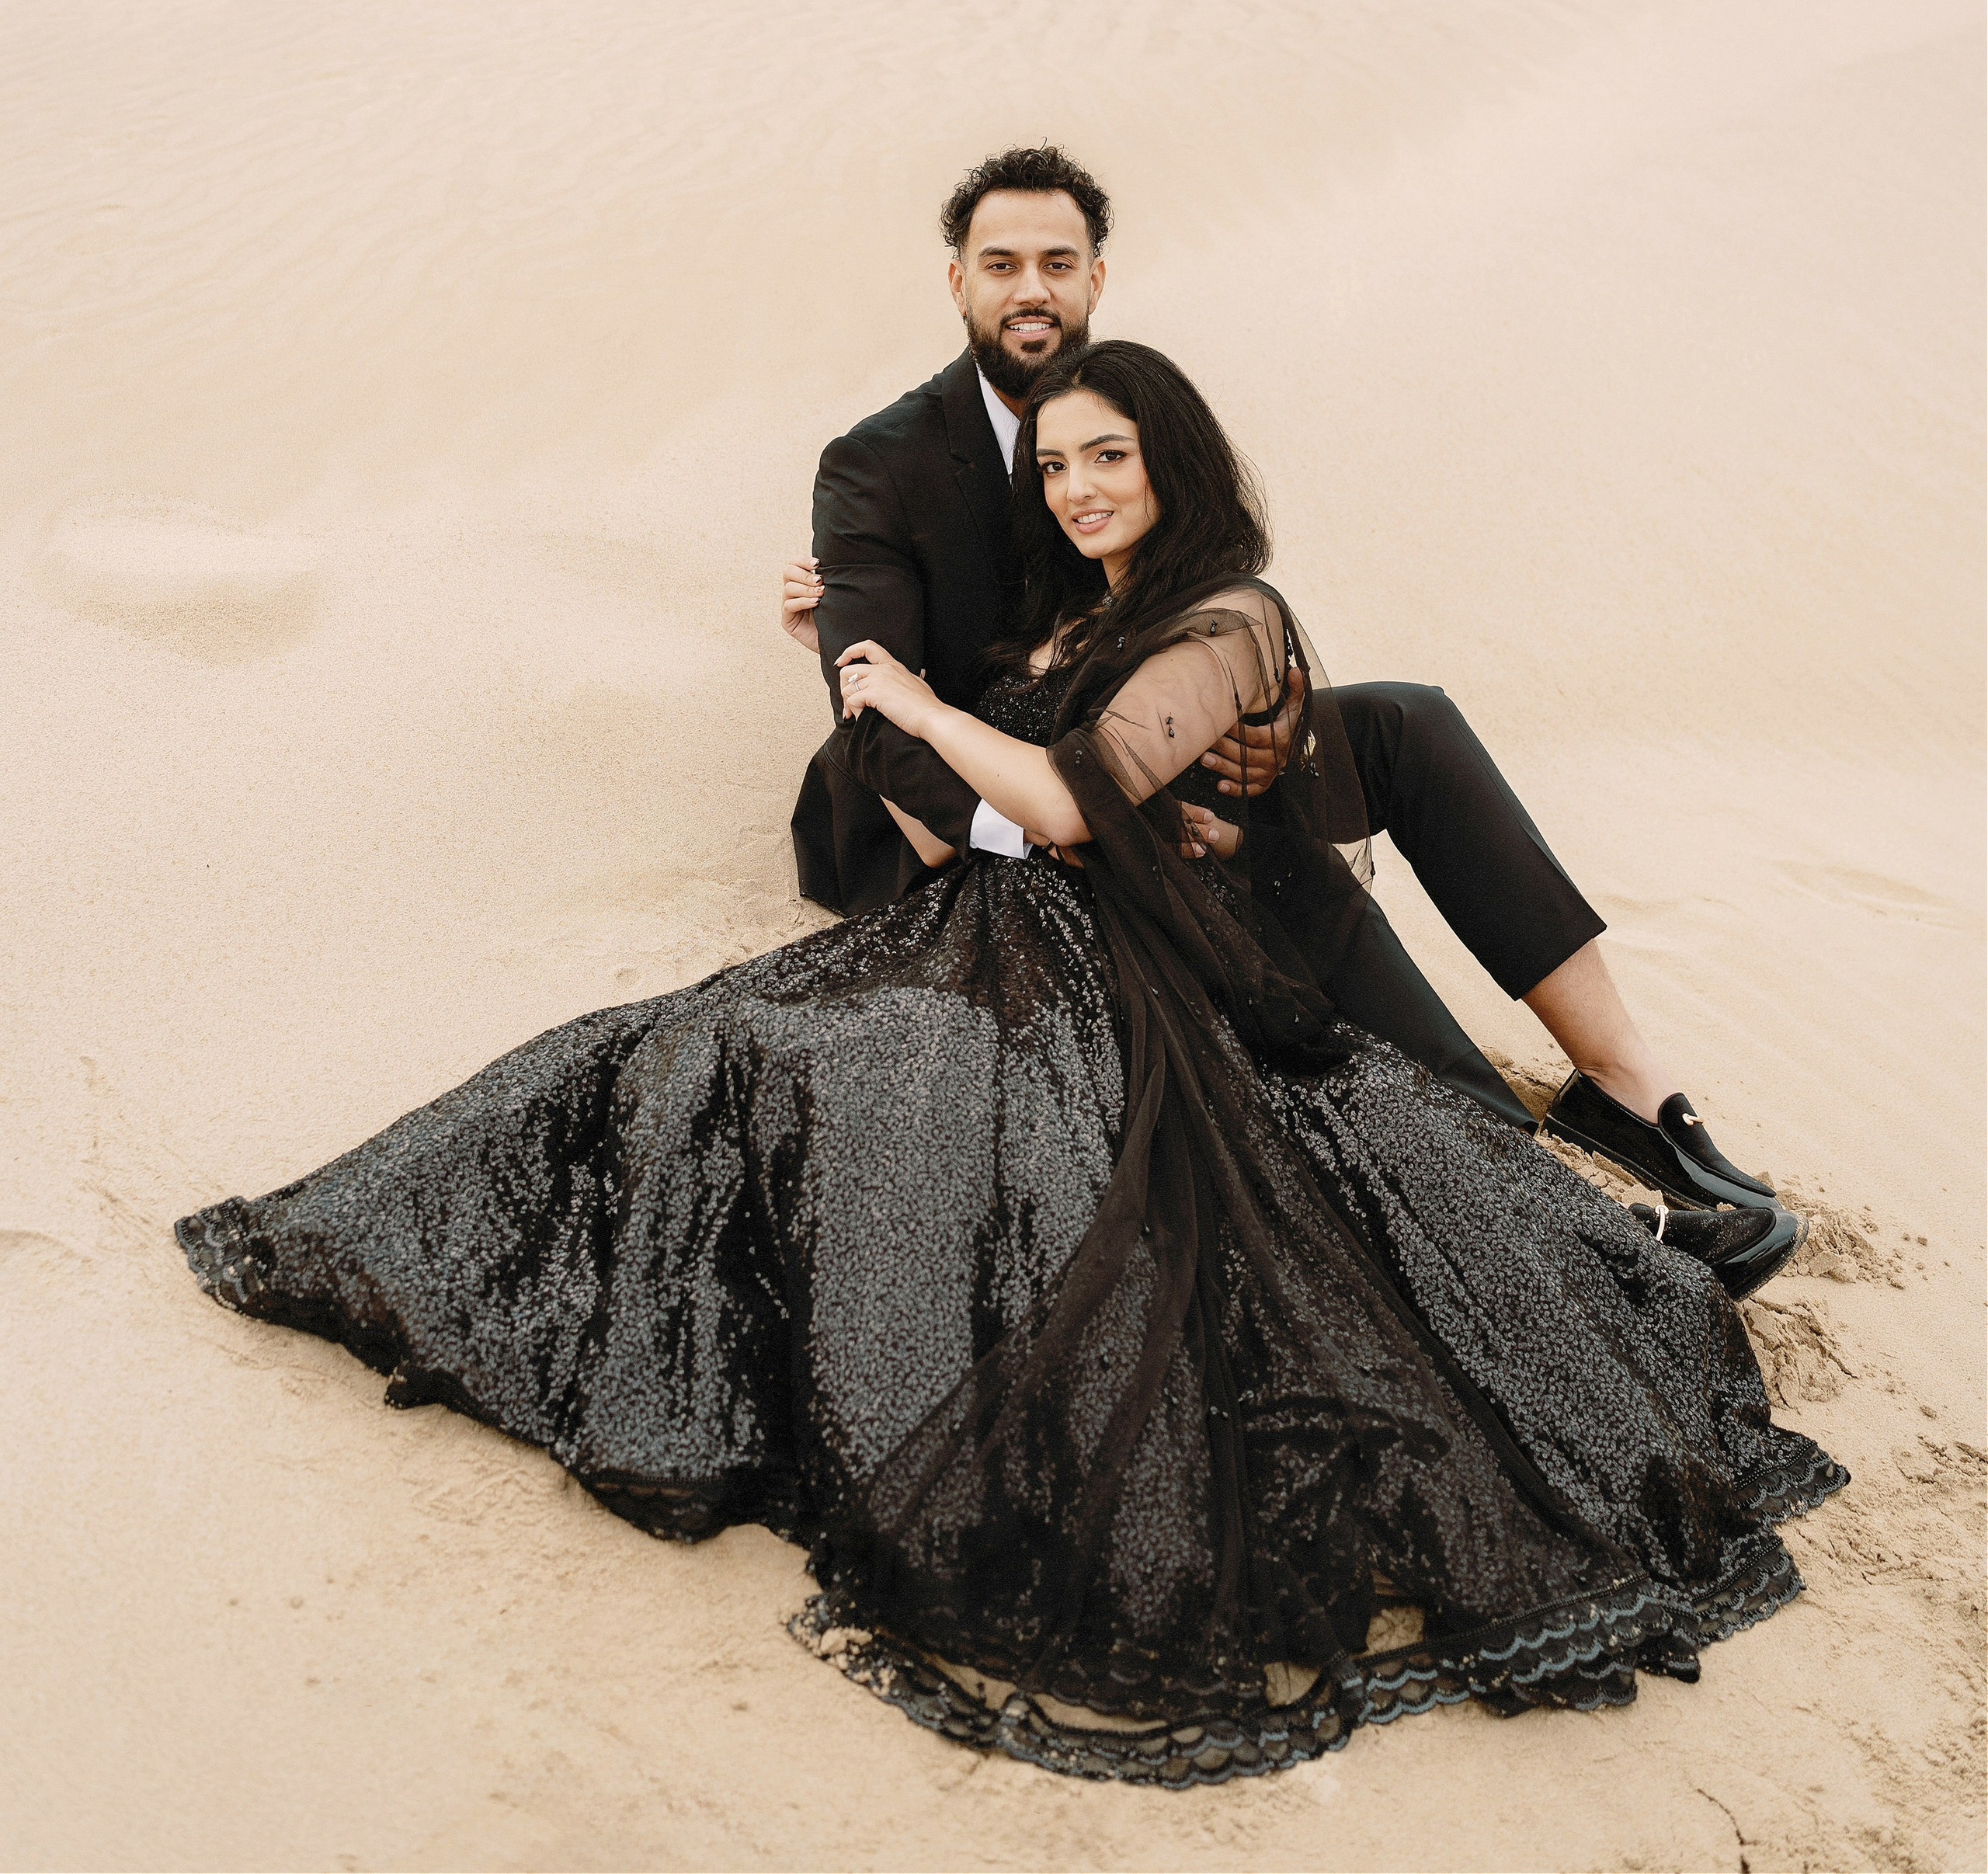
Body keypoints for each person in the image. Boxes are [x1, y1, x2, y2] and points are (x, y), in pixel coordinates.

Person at [178, 339, 1840, 1787]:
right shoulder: (1076, 621)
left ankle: (1625, 1137)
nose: (1075, 485)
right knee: (711, 1044)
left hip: (1131, 962)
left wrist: (907, 683)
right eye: (1054, 463)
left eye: (1107, 454)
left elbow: (1057, 806)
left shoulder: (1227, 614)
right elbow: (956, 811)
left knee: (902, 1091)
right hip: (1006, 939)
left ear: (1171, 460)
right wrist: (838, 671)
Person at [784, 143, 1781, 1223]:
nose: (1033, 289)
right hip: (979, 812)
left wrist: (1279, 724)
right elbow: (875, 715)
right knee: (1240, 831)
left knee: (1402, 725)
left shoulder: (1126, 409)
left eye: (1060, 264)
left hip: (1125, 747)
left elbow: (1175, 612)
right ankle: (1494, 1152)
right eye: (1003, 264)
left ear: (1096, 280)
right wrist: (1052, 822)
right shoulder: (878, 462)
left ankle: (1624, 1088)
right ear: (959, 283)